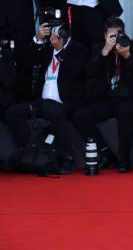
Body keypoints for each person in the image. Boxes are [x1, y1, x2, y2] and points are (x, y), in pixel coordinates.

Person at [5, 22, 87, 173]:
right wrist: (38, 40)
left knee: (54, 111)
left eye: (57, 31)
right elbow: (28, 63)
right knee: (13, 113)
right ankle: (30, 153)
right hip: (42, 101)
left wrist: (60, 51)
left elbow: (77, 72)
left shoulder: (77, 48)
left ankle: (67, 158)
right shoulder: (47, 48)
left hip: (66, 101)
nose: (54, 35)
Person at [72, 17, 133, 173]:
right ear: (105, 35)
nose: (115, 39)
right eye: (111, 36)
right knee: (80, 116)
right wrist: (105, 51)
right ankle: (105, 152)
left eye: (118, 34)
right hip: (105, 99)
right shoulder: (98, 49)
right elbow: (88, 72)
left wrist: (127, 55)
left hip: (129, 98)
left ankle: (124, 159)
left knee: (125, 111)